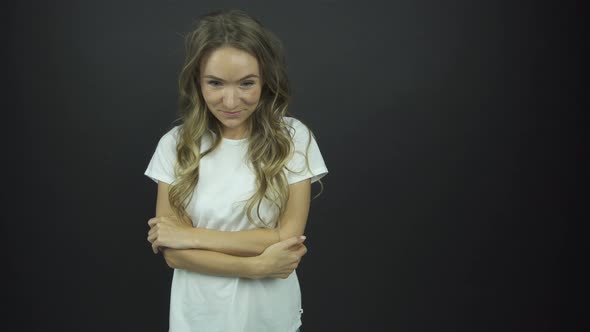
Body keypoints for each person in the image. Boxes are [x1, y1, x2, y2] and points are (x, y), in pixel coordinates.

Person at [143, 8, 328, 332]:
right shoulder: (175, 145)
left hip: (270, 319)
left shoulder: (294, 138)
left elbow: (287, 238)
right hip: (197, 319)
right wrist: (258, 266)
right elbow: (175, 255)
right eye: (215, 83)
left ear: (265, 80)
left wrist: (190, 236)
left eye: (246, 83)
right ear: (197, 82)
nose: (231, 100)